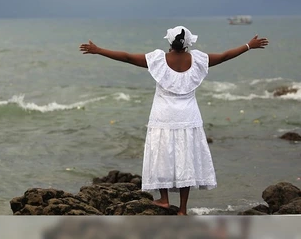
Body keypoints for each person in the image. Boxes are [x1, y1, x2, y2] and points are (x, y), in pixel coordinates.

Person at [79, 26, 269, 215]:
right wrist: (248, 45)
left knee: (163, 156)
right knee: (185, 160)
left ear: (170, 42)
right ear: (188, 44)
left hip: (163, 117)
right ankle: (183, 209)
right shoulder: (198, 60)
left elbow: (127, 57)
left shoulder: (158, 60)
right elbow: (226, 55)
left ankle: (164, 200)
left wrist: (99, 50)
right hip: (188, 117)